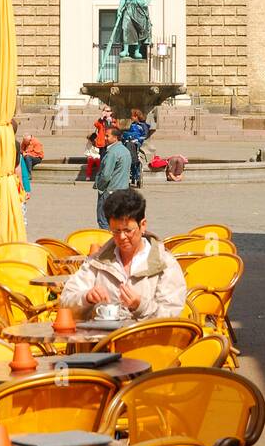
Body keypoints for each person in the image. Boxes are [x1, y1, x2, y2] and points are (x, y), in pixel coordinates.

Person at [60, 188, 187, 320]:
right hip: (104, 339)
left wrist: (141, 306)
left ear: (143, 225)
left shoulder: (164, 263)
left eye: (128, 230)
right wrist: (86, 297)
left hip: (149, 339)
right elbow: (65, 301)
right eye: (115, 231)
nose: (122, 237)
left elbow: (172, 315)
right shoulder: (98, 262)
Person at [93, 122, 131, 230]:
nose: (104, 138)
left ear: (115, 137)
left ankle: (109, 245)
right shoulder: (125, 151)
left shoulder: (112, 152)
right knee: (118, 221)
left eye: (107, 136)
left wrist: (99, 186)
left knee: (104, 221)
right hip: (123, 190)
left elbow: (106, 175)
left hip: (110, 191)